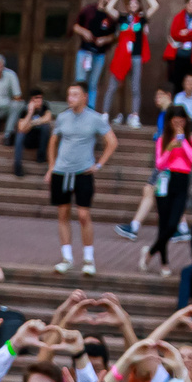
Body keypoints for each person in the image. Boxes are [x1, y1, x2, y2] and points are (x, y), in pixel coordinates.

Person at [47, 83, 116, 277]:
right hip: (62, 171)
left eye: (75, 94)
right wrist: (52, 166)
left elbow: (112, 141)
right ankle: (67, 257)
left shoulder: (95, 118)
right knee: (63, 214)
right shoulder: (62, 117)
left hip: (83, 172)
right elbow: (53, 141)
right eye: (69, 94)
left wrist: (99, 164)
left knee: (84, 215)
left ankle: (88, 258)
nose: (71, 98)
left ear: (85, 97)